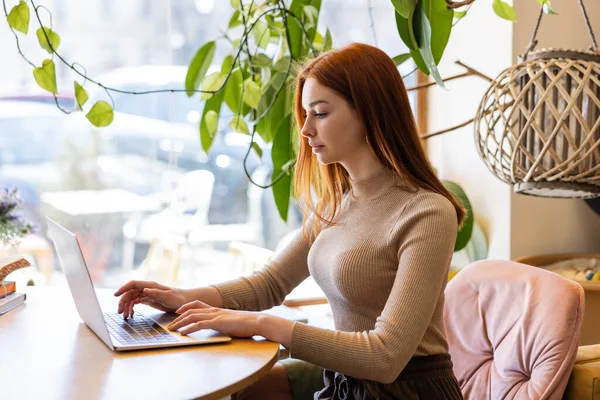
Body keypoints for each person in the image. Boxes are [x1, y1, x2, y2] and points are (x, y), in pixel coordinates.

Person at [114, 42, 466, 400]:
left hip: (409, 392)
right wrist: (181, 297)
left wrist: (263, 325)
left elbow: (385, 358)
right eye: (306, 114)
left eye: (321, 113)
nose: (305, 130)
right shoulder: (337, 203)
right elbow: (268, 284)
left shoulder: (428, 213)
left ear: (369, 112)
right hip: (346, 387)